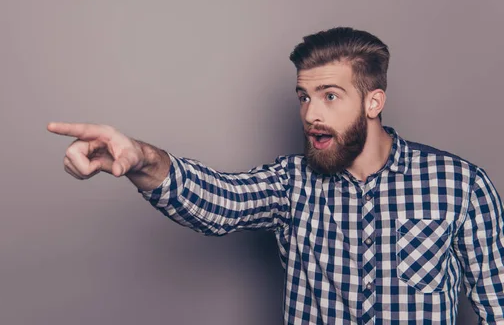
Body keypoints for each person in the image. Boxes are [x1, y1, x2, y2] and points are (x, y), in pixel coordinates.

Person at [47, 27, 504, 324]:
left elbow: (496, 306)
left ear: (373, 102)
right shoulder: (291, 183)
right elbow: (216, 201)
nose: (311, 114)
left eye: (329, 96)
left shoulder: (460, 186)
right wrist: (142, 158)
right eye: (303, 97)